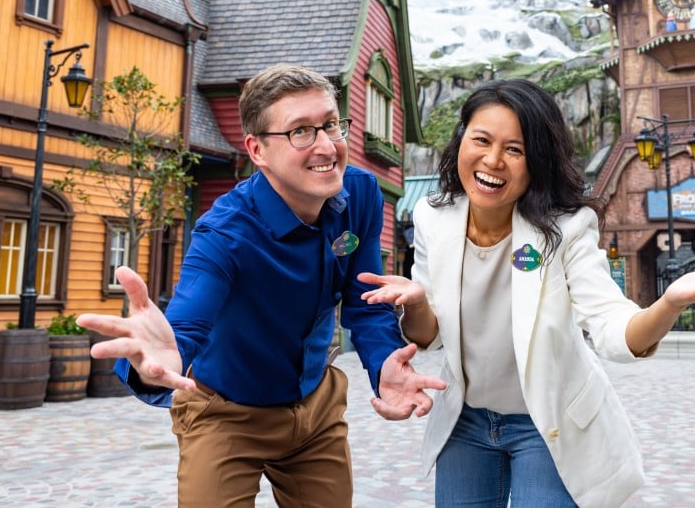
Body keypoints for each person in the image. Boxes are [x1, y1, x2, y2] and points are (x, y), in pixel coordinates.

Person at [360, 78, 695, 507]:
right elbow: (430, 336)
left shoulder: (566, 227)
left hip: (547, 422)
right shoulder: (432, 216)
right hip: (466, 421)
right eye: (481, 140)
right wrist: (417, 301)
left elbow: (612, 327)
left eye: (515, 150)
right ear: (461, 140)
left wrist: (669, 303)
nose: (493, 160)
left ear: (538, 162)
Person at [77, 64, 446, 507]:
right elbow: (186, 324)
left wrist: (385, 361)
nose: (327, 145)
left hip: (315, 408)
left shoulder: (362, 195)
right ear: (257, 149)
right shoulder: (224, 234)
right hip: (225, 413)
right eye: (301, 132)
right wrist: (156, 359)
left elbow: (366, 301)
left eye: (331, 124)